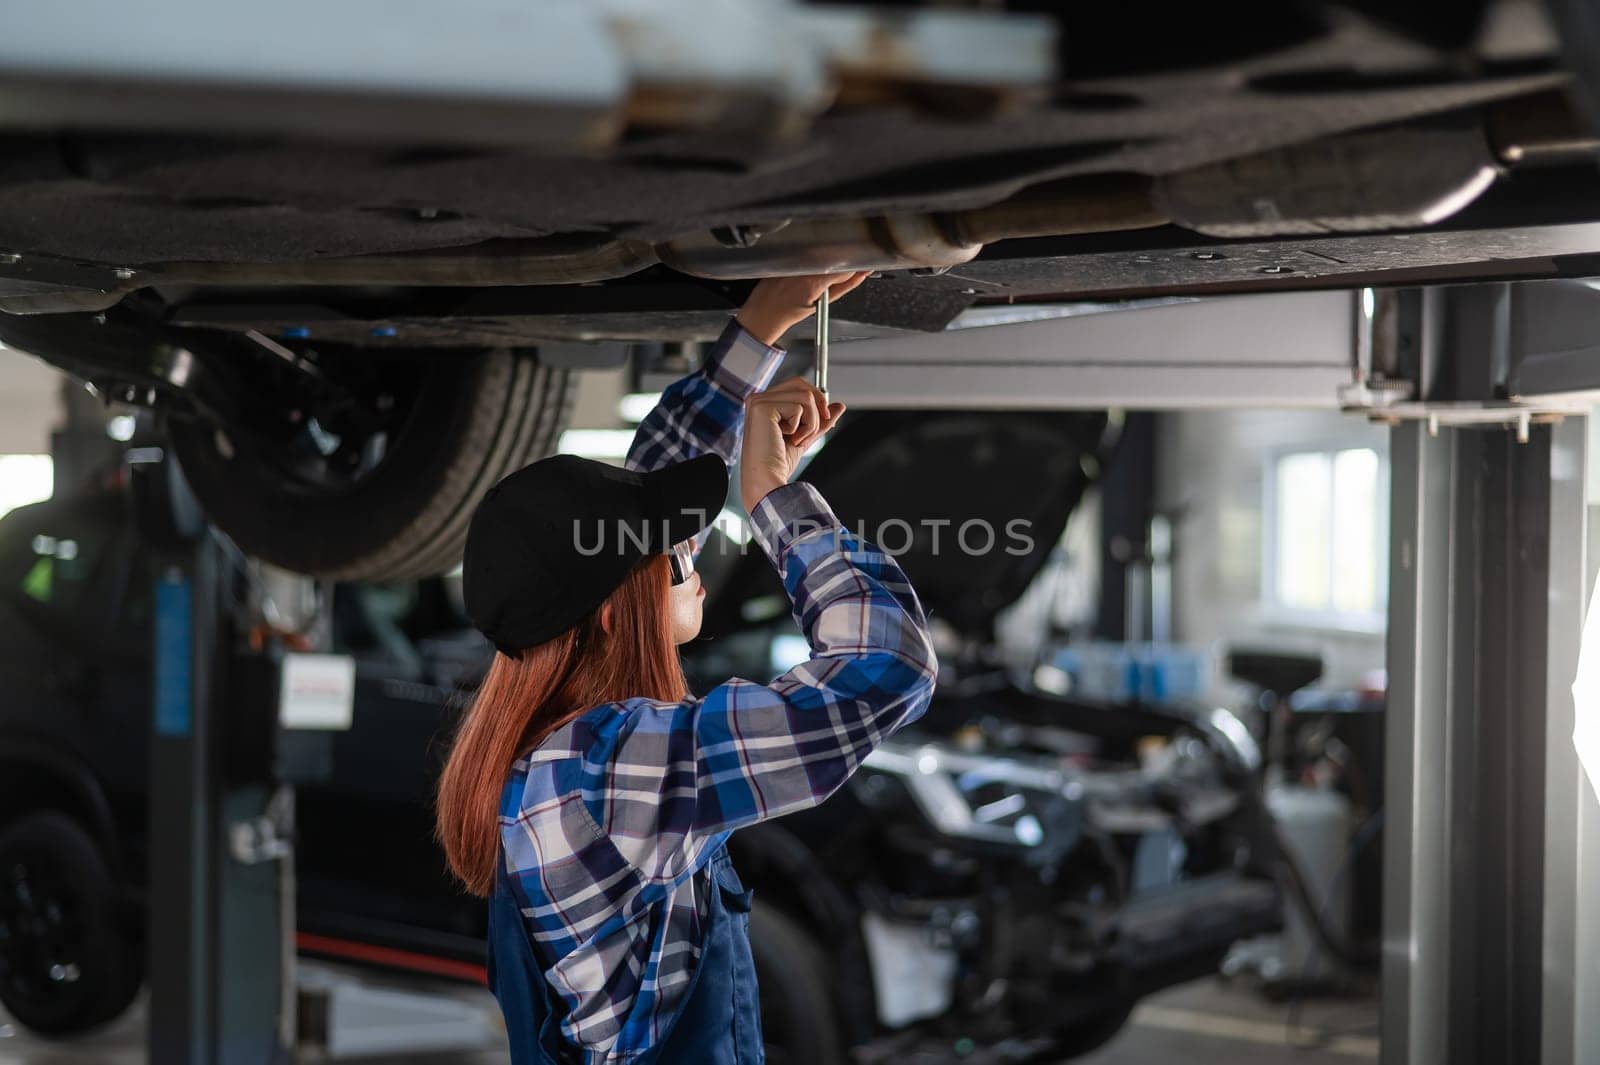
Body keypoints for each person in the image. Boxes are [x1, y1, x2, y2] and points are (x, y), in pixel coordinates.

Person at [435, 272, 938, 1065]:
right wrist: (776, 499)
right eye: (674, 554)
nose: (693, 553)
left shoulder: (556, 758)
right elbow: (886, 667)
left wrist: (762, 326)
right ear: (612, 610)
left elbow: (646, 493)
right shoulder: (608, 769)